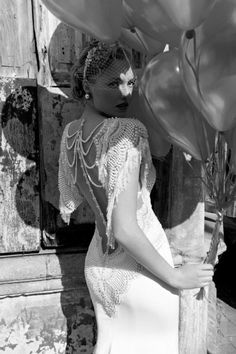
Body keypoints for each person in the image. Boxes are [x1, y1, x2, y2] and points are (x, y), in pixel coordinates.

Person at [58, 40, 213, 354]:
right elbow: (126, 228)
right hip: (139, 274)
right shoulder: (127, 132)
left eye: (131, 83)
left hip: (98, 266)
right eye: (113, 83)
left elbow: (73, 198)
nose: (125, 93)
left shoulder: (71, 133)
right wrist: (176, 276)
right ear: (87, 86)